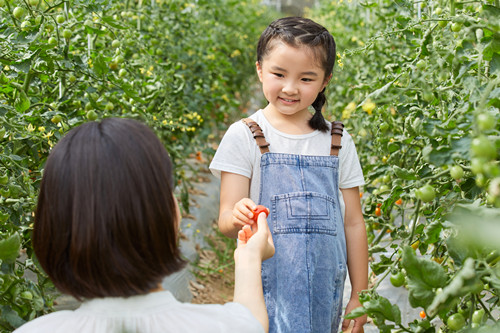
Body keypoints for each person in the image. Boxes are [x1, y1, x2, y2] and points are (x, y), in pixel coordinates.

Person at [15, 118, 274, 333]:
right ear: (170, 216)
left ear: (49, 229)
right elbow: (250, 321)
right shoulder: (221, 327)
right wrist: (249, 259)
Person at [209, 16, 368, 333]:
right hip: (265, 298)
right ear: (259, 70)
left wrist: (360, 296)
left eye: (306, 79)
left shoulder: (337, 141)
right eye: (278, 74)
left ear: (325, 81)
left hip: (327, 298)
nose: (290, 88)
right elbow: (225, 220)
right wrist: (238, 215)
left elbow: (353, 221)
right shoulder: (246, 135)